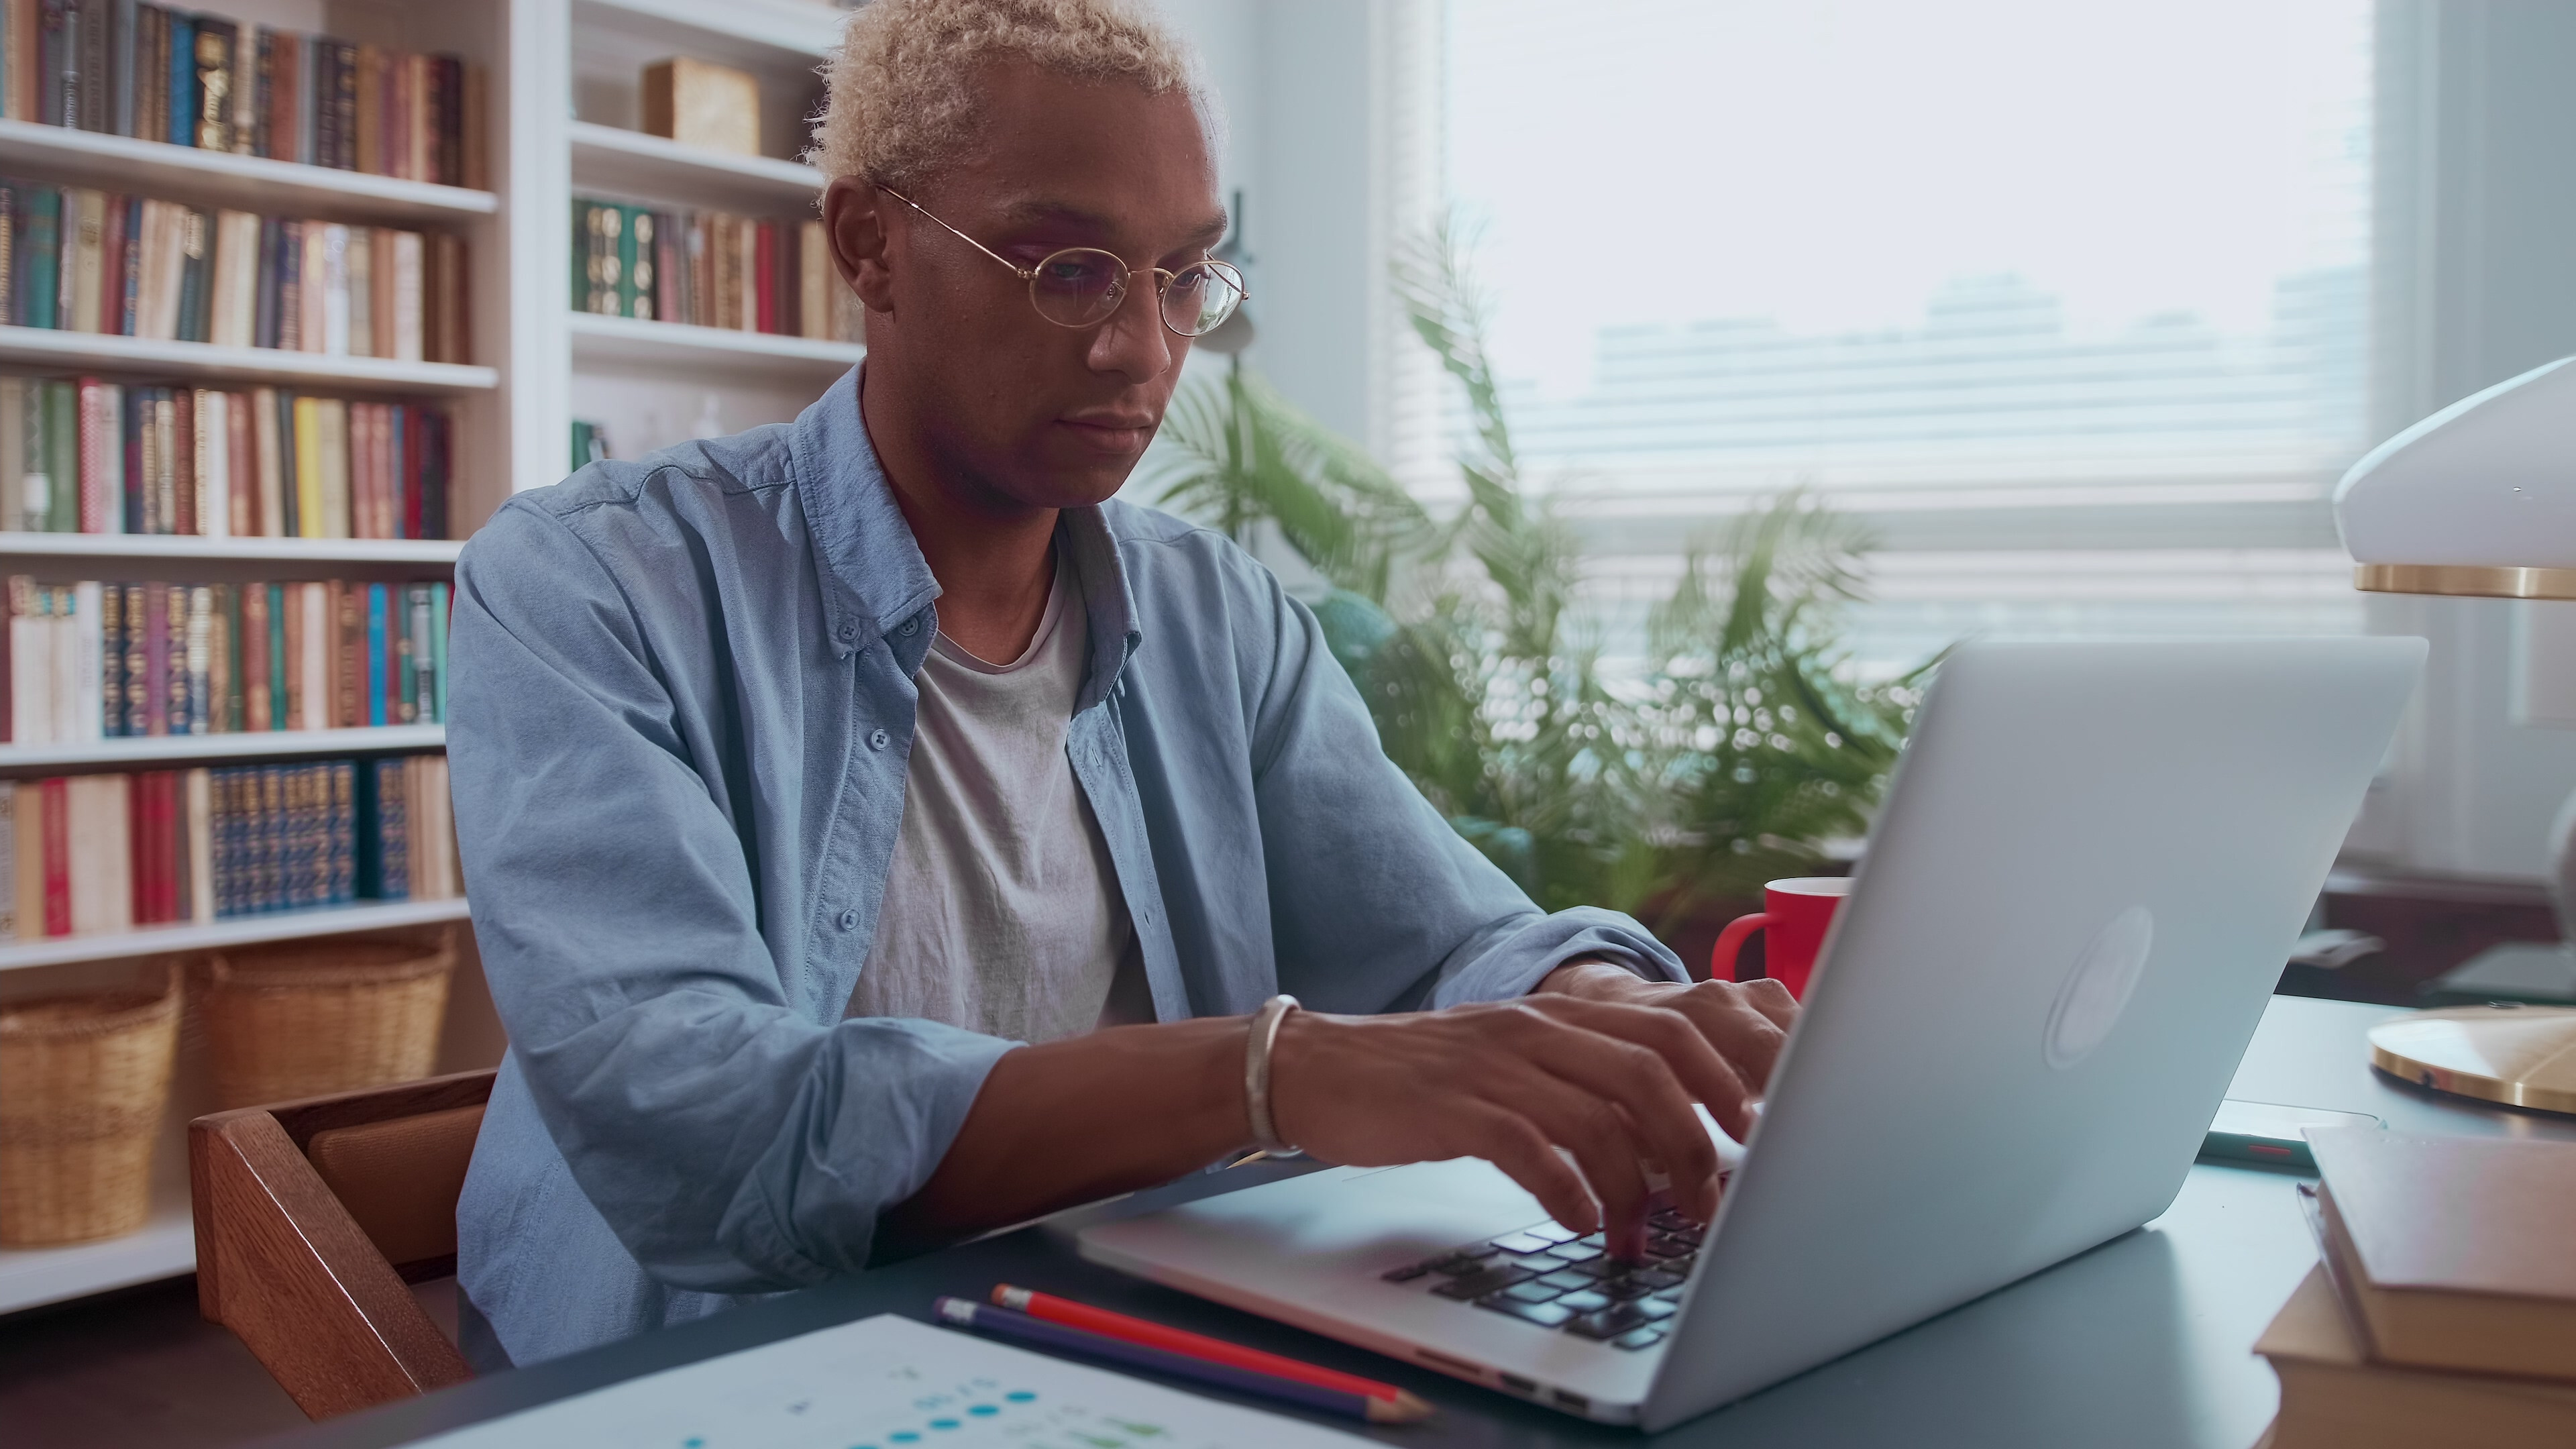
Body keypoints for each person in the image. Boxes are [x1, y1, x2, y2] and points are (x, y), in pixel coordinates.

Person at [446, 0, 1797, 1369]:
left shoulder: (1214, 614)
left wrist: (1607, 1015)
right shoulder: (591, 586)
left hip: (1124, 1329)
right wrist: (1272, 1076)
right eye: (1068, 268)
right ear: (872, 243)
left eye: (1182, 277)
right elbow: (703, 1128)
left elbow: (1446, 945)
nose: (1143, 352)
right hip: (729, 1366)